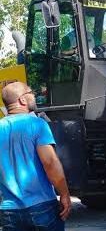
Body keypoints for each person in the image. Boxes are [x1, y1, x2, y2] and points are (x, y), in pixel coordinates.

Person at [0, 81, 72, 231]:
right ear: (22, 100)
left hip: (8, 211)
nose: (34, 95)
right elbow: (50, 163)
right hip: (42, 207)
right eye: (30, 92)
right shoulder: (37, 124)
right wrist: (64, 194)